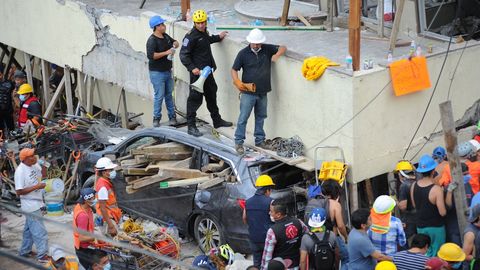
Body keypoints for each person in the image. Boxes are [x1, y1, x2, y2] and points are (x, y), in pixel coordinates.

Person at [231, 28, 286, 154]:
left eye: (258, 43)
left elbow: (283, 47)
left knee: (261, 116)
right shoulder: (243, 54)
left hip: (263, 92)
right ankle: (239, 142)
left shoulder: (267, 49)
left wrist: (277, 55)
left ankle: (260, 140)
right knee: (243, 118)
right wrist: (237, 82)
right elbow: (234, 69)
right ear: (249, 41)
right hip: (248, 93)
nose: (256, 45)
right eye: (254, 43)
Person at [179, 9, 232, 137]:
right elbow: (183, 55)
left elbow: (207, 40)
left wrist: (219, 37)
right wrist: (192, 68)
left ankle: (217, 120)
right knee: (195, 100)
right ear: (195, 23)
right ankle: (191, 126)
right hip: (198, 75)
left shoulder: (204, 32)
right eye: (199, 23)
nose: (201, 25)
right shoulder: (190, 37)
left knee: (211, 95)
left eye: (203, 22)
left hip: (208, 72)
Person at [14, 147, 49, 263]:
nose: (34, 157)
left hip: (37, 203)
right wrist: (37, 187)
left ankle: (25, 251)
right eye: (31, 156)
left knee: (28, 231)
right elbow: (18, 192)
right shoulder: (20, 171)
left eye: (34, 155)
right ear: (25, 159)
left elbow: (43, 175)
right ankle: (43, 255)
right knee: (40, 232)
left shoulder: (34, 165)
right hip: (30, 206)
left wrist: (44, 163)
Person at [305, 180, 349, 268]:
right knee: (346, 257)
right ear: (336, 192)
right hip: (331, 238)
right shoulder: (335, 205)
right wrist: (346, 237)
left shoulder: (313, 202)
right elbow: (340, 226)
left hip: (314, 239)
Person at [410, 154, 447, 257]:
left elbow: (415, 205)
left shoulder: (413, 185)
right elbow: (442, 212)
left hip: (421, 226)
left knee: (425, 254)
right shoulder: (436, 189)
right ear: (433, 171)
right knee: (437, 254)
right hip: (436, 227)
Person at [146, 15, 179, 128]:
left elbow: (175, 42)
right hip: (157, 73)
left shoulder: (165, 36)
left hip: (167, 71)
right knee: (159, 96)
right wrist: (166, 52)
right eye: (162, 25)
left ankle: (172, 117)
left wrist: (175, 44)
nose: (164, 26)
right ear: (157, 27)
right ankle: (156, 118)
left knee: (169, 95)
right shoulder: (152, 40)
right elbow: (151, 56)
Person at [261, 200, 308, 270]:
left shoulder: (272, 231)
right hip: (298, 264)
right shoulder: (298, 222)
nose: (269, 213)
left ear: (278, 214)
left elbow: (267, 257)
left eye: (271, 211)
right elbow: (307, 236)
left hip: (282, 267)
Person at [243, 174, 275, 267]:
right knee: (270, 264)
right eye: (270, 190)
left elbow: (244, 218)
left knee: (256, 264)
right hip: (267, 239)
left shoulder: (247, 202)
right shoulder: (270, 201)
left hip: (254, 238)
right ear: (267, 190)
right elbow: (274, 219)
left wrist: (253, 225)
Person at [94, 157, 121, 236]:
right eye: (111, 170)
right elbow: (102, 208)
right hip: (108, 219)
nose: (113, 171)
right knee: (113, 242)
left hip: (111, 216)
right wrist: (111, 226)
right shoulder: (103, 187)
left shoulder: (104, 181)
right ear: (104, 172)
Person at [393, 160, 418, 244]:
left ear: (400, 174)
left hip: (410, 218)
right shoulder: (418, 181)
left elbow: (402, 206)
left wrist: (395, 202)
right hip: (420, 216)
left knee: (405, 239)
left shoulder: (404, 185)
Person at [73, 188, 98, 269]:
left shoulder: (80, 206)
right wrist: (95, 237)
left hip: (84, 246)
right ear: (86, 200)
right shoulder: (82, 216)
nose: (95, 199)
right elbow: (82, 238)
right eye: (93, 198)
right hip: (84, 248)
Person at [0, 63, 15, 137]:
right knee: (0, 129)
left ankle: (13, 138)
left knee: (11, 128)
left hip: (8, 110)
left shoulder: (9, 84)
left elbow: (17, 85)